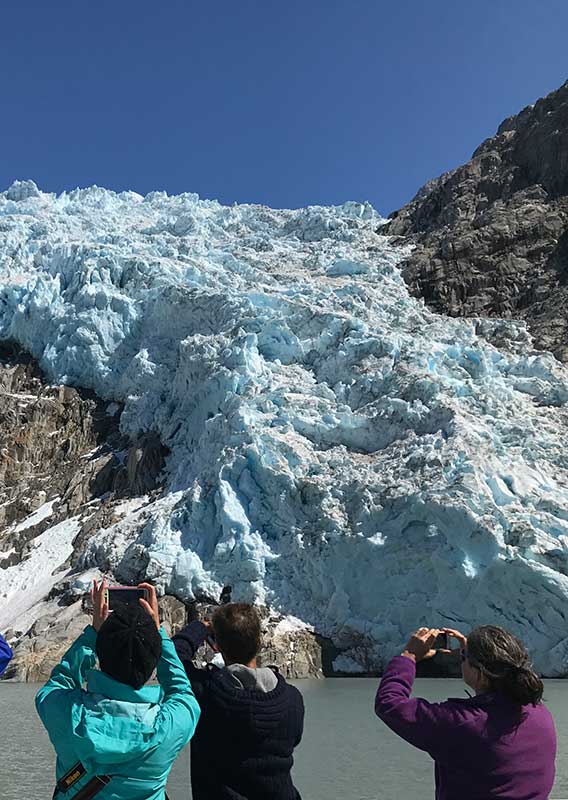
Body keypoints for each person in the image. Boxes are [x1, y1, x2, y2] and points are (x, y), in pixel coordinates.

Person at [36, 580, 200, 800]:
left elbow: (58, 683)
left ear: (100, 654)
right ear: (154, 660)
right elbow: (181, 690)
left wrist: (93, 633)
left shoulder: (67, 714)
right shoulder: (170, 725)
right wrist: (157, 631)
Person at [375, 625, 556, 800]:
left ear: (481, 671)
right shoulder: (539, 714)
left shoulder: (461, 723)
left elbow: (389, 703)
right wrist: (469, 654)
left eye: (465, 658)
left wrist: (409, 656)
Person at [173, 602, 304, 800]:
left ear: (216, 644)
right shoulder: (292, 699)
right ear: (259, 642)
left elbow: (173, 656)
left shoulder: (205, 694)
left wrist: (202, 627)